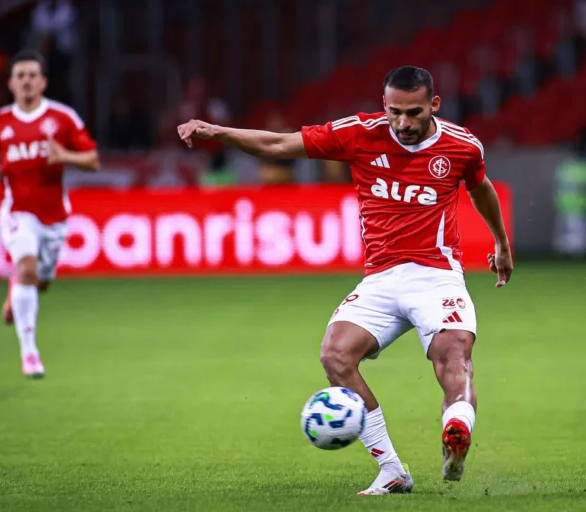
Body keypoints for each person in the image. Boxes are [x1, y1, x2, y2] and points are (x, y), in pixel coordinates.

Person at [177, 66, 512, 495]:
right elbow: (278, 144)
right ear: (383, 104)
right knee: (335, 356)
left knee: (453, 356)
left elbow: (480, 188)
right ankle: (392, 469)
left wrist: (501, 244)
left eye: (413, 112)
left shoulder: (462, 145)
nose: (403, 123)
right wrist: (216, 131)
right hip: (381, 279)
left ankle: (456, 430)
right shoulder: (358, 133)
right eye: (394, 112)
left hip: (437, 276)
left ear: (434, 105)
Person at [0, 49, 99, 378]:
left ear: (43, 82)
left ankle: (17, 286)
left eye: (32, 75)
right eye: (20, 76)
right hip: (14, 209)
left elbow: (93, 160)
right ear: (11, 84)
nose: (26, 81)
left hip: (54, 214)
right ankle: (29, 354)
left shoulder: (62, 118)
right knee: (28, 267)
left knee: (38, 282)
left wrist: (65, 157)